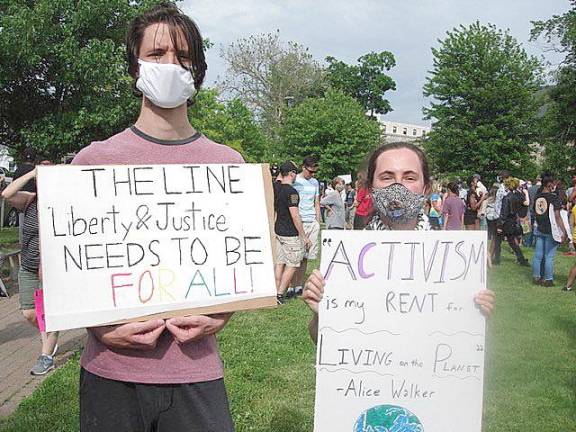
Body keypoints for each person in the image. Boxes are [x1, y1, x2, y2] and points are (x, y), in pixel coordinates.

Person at [71, 4, 239, 430]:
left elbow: (239, 265)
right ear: (135, 67)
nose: (170, 65)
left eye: (182, 57)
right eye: (157, 53)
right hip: (111, 374)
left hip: (196, 373)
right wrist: (99, 329)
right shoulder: (93, 162)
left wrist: (222, 315)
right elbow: (67, 270)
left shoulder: (227, 165)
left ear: (197, 70)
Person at [301, 142, 495, 342]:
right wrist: (321, 314)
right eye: (387, 177)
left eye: (409, 177)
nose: (398, 186)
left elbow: (464, 345)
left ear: (425, 188)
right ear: (370, 187)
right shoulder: (347, 259)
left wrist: (476, 316)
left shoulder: (454, 260)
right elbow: (327, 343)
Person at [2, 163, 60, 375]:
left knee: (48, 315)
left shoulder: (60, 201)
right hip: (28, 266)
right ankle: (50, 338)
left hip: (51, 269)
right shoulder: (30, 200)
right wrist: (32, 173)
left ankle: (46, 356)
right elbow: (7, 193)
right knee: (30, 313)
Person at [273, 161, 310, 304]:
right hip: (289, 233)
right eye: (294, 173)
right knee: (293, 264)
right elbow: (295, 215)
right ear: (292, 173)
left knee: (280, 262)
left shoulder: (276, 188)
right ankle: (280, 294)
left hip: (278, 230)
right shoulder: (292, 192)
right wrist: (304, 236)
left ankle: (275, 290)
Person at [291, 156, 321, 296]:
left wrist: (318, 220)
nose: (312, 174)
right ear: (303, 167)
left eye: (315, 171)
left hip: (311, 221)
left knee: (305, 257)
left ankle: (299, 285)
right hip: (299, 220)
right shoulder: (295, 180)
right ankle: (291, 284)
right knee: (295, 255)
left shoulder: (315, 182)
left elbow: (316, 202)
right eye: (310, 171)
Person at [532, 173, 567, 287]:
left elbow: (535, 212)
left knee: (538, 255)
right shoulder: (553, 197)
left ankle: (536, 277)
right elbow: (557, 216)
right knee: (549, 256)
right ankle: (548, 279)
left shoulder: (537, 197)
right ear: (549, 184)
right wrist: (564, 231)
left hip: (539, 227)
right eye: (552, 183)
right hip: (550, 229)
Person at [496, 177, 529, 266]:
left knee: (497, 241)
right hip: (513, 221)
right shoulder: (518, 197)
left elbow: (504, 213)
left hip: (506, 222)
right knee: (512, 242)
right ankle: (521, 259)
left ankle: (496, 259)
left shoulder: (507, 198)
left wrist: (499, 225)